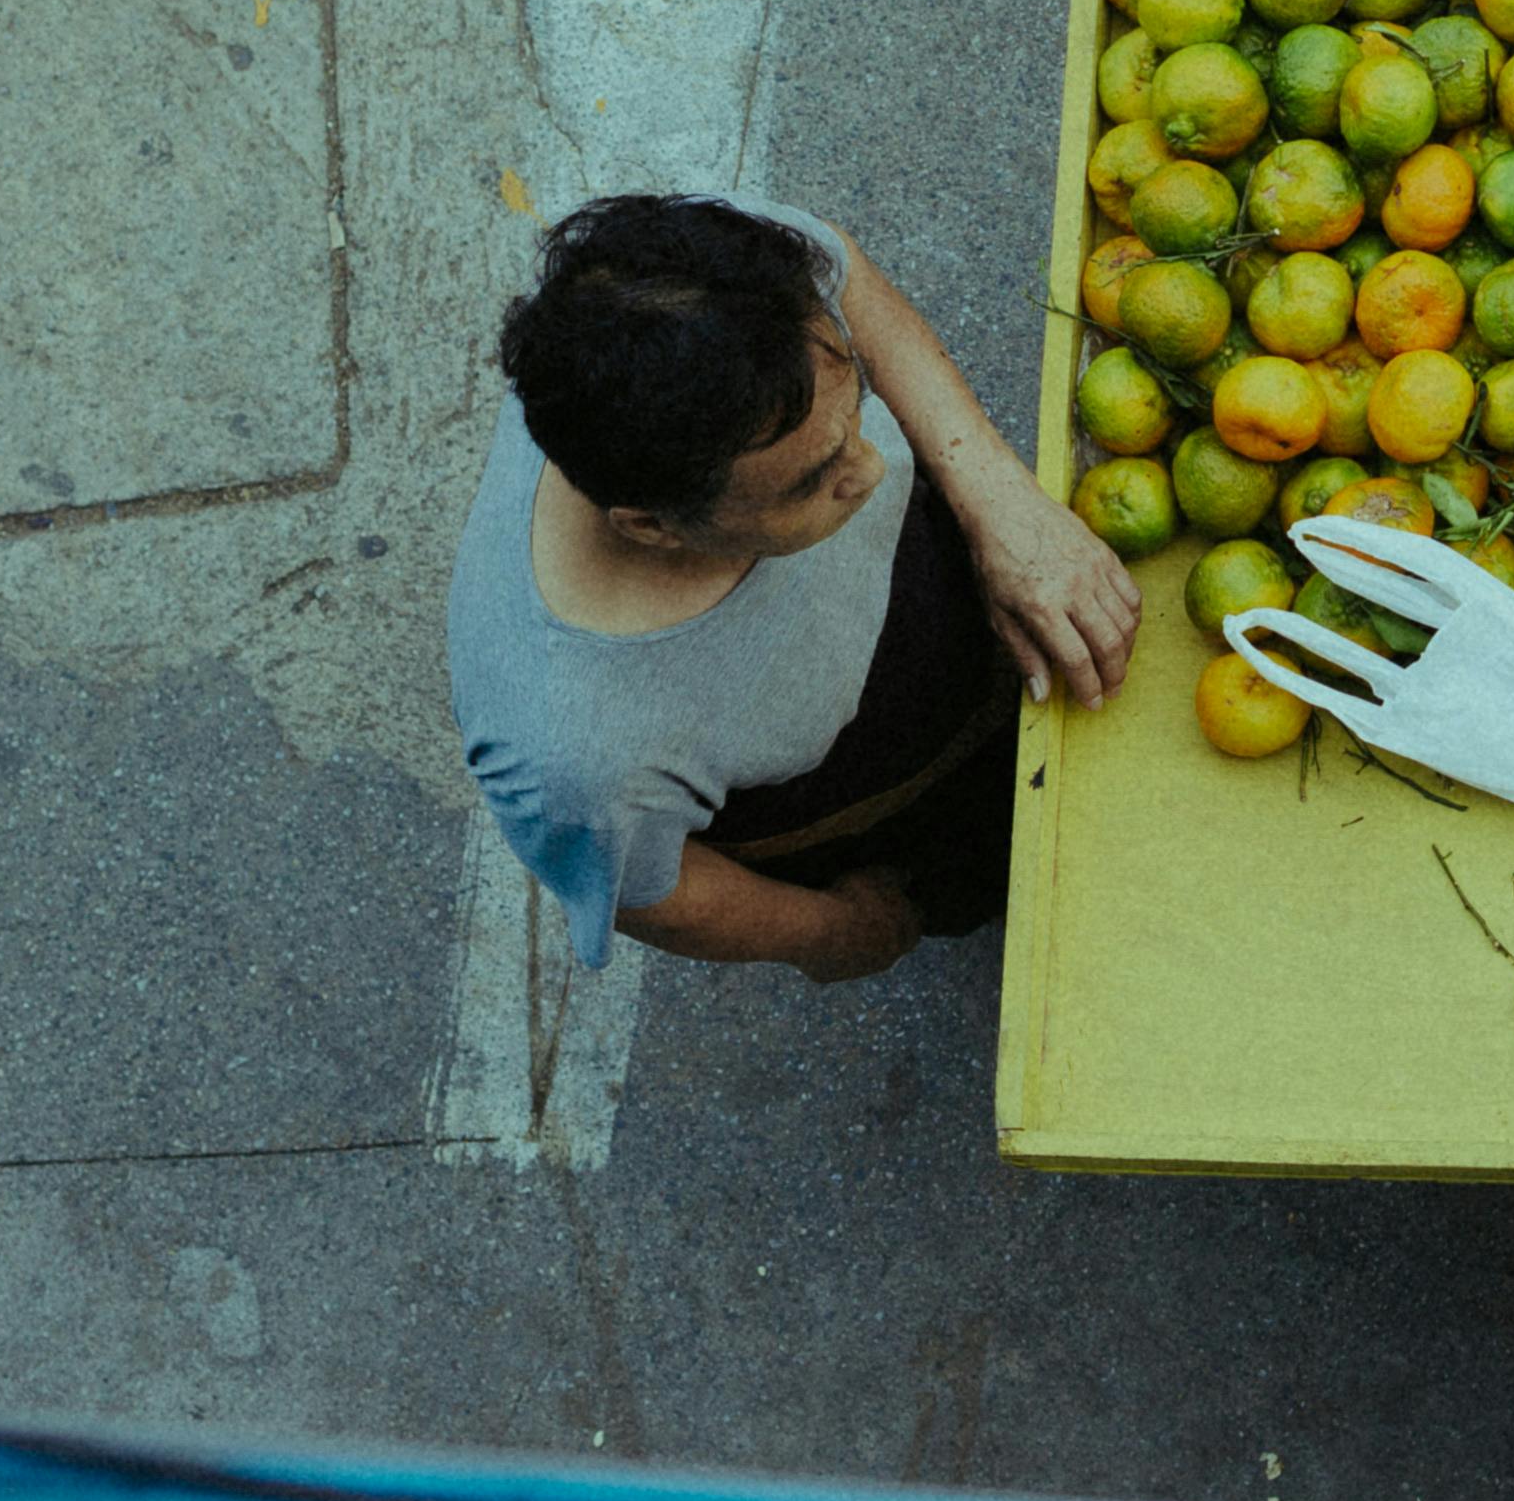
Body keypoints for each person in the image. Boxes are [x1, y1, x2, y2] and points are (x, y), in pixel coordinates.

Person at [449, 191, 1139, 982]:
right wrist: (838, 929)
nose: (873, 469)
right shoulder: (578, 756)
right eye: (813, 479)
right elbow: (649, 894)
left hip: (947, 591)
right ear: (653, 527)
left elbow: (838, 271)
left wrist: (995, 500)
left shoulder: (685, 288)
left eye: (854, 417)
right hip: (879, 793)